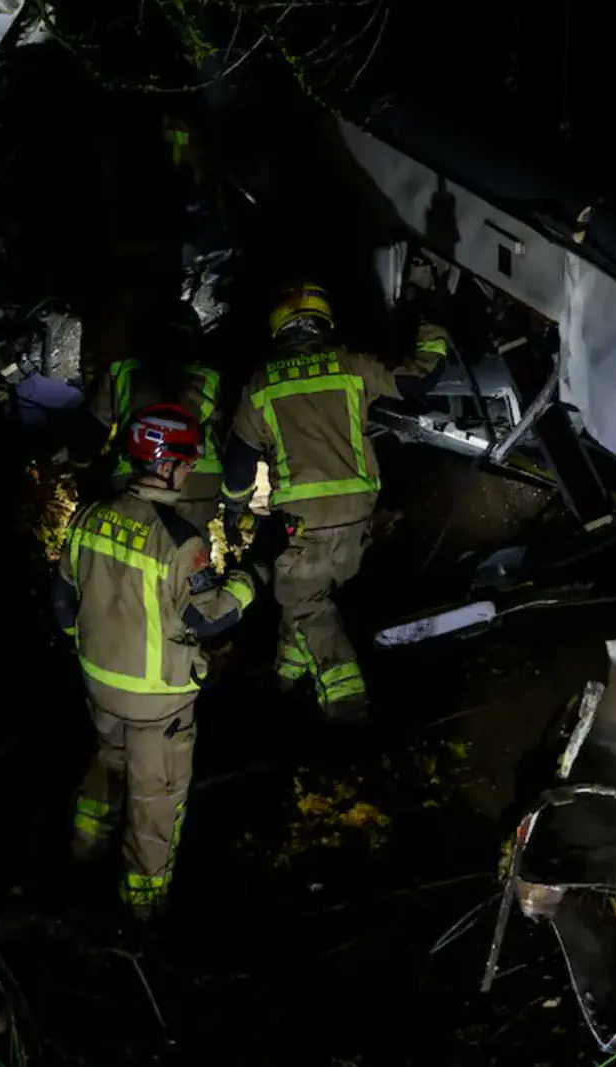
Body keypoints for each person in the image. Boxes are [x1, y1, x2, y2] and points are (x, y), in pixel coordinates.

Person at [53, 403, 267, 919]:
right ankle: (140, 919)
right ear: (165, 463)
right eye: (187, 460)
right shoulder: (179, 540)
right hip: (158, 708)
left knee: (106, 769)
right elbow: (209, 619)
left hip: (99, 690)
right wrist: (254, 574)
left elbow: (62, 600)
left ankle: (76, 865)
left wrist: (91, 650)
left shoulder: (89, 517)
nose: (191, 468)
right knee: (155, 806)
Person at [221, 281, 449, 722]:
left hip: (300, 522)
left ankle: (347, 709)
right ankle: (286, 680)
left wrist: (234, 511)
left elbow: (238, 464)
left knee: (306, 605)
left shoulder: (262, 383)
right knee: (307, 599)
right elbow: (419, 378)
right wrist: (433, 321)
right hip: (357, 518)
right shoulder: (350, 364)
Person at [84, 312, 225, 529]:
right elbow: (226, 433)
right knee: (188, 547)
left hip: (134, 477)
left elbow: (93, 431)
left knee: (131, 539)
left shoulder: (122, 371)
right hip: (199, 486)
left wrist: (79, 465)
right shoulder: (209, 378)